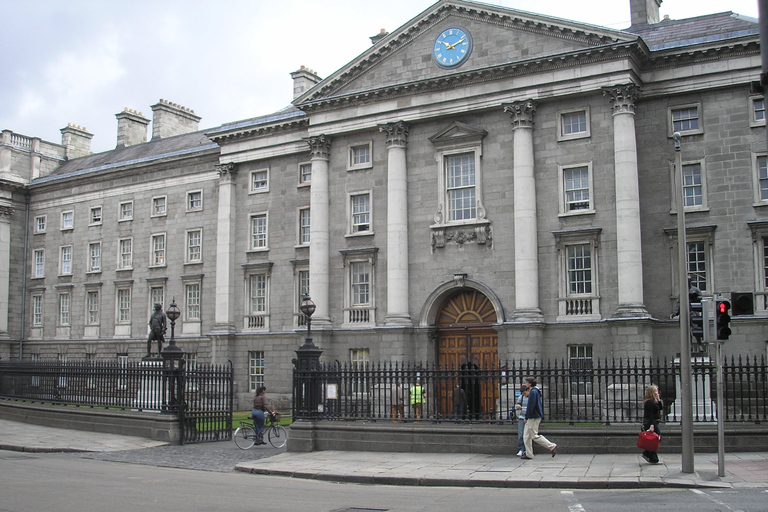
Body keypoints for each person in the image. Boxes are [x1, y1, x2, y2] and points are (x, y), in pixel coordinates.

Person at [522, 377, 557, 459]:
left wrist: (526, 417)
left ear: (529, 384)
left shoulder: (533, 392)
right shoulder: (534, 391)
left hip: (533, 417)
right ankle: (529, 454)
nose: (525, 384)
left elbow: (531, 406)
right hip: (532, 416)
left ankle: (551, 446)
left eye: (526, 382)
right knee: (526, 436)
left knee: (534, 435)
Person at [641, 384, 664, 464]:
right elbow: (650, 414)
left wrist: (658, 399)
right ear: (652, 392)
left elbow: (660, 408)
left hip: (655, 422)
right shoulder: (649, 402)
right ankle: (653, 458)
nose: (657, 392)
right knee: (654, 440)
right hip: (652, 422)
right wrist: (651, 425)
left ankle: (647, 453)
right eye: (656, 391)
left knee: (656, 439)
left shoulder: (654, 401)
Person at [515, 384, 529, 457]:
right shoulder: (521, 397)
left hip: (529, 418)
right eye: (523, 393)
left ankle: (527, 449)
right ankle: (521, 449)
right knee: (521, 434)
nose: (524, 394)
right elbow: (516, 405)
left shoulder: (531, 397)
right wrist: (518, 406)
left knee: (528, 435)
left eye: (525, 393)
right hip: (522, 417)